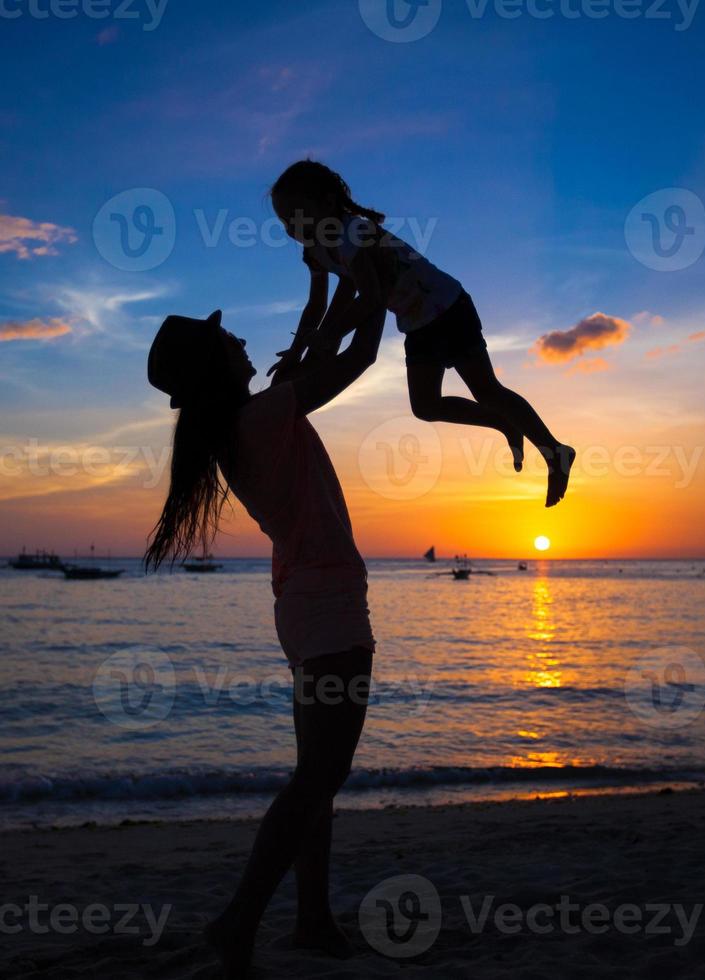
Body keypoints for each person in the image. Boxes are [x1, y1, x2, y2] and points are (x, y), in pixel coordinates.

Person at [143, 255, 386, 977]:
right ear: (219, 362)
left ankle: (312, 919)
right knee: (319, 778)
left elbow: (314, 336)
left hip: (303, 608)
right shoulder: (266, 415)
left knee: (317, 773)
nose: (242, 339)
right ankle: (240, 920)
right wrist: (376, 272)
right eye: (228, 337)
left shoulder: (246, 421)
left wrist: (328, 280)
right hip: (329, 609)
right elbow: (363, 351)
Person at [268, 159, 576, 507]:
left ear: (325, 202)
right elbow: (318, 306)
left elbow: (370, 296)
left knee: (487, 389)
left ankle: (556, 452)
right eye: (284, 221)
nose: (291, 227)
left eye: (296, 214)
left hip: (446, 306)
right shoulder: (314, 252)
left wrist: (327, 338)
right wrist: (297, 353)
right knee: (426, 406)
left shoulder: (354, 231)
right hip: (417, 322)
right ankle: (504, 423)